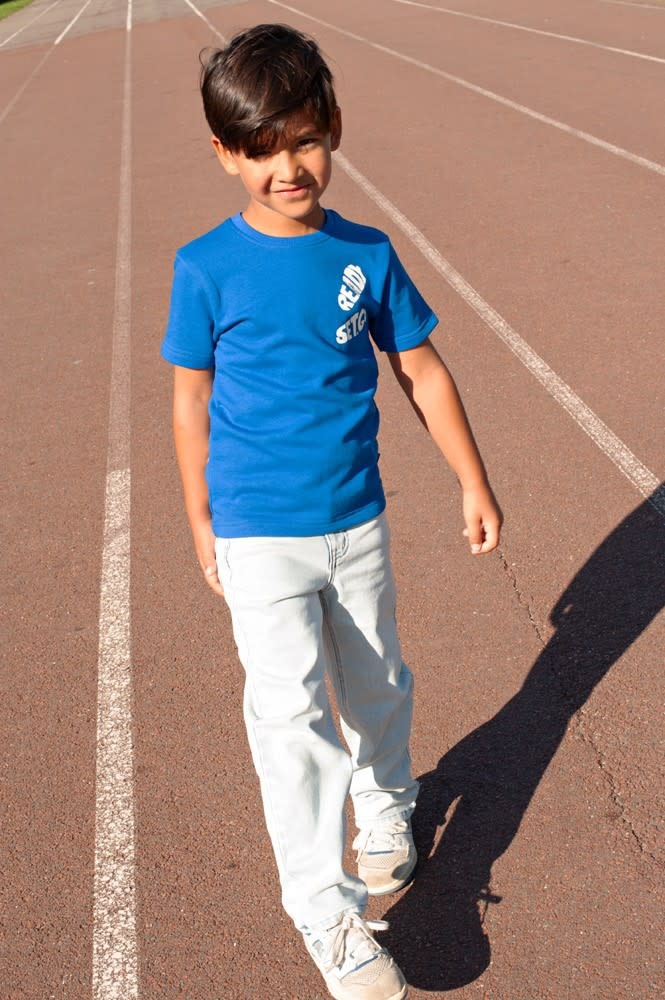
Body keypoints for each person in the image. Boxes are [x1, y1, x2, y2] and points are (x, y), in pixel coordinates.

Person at [161, 22, 502, 1000]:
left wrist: (471, 479)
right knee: (290, 716)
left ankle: (385, 804)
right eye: (261, 149)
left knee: (377, 680)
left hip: (355, 523)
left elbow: (420, 370)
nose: (288, 168)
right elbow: (189, 400)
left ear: (333, 127)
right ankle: (323, 910)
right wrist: (199, 517)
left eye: (304, 140)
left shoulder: (366, 253)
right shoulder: (204, 267)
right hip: (255, 530)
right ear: (225, 154)